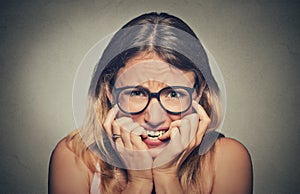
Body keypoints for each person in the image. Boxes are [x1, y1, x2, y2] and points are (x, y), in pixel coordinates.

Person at [48, 12, 253, 194]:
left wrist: (166, 173)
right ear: (109, 91)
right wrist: (139, 182)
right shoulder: (74, 157)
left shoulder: (228, 159)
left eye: (173, 94)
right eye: (137, 93)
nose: (154, 118)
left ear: (198, 93)